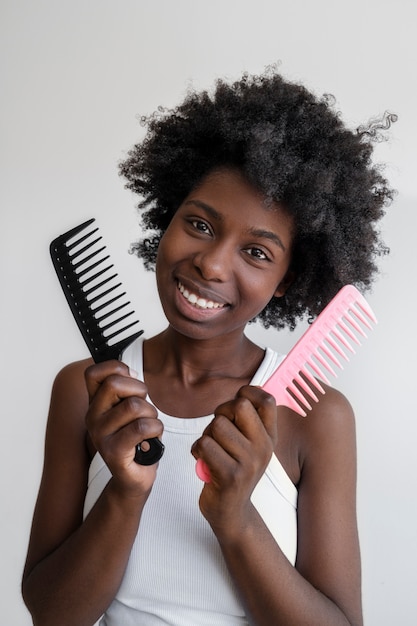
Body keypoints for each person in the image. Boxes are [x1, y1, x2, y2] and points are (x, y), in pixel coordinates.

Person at [22, 68, 395, 626]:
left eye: (259, 253)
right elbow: (52, 614)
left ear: (290, 279)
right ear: (166, 217)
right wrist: (126, 491)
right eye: (198, 224)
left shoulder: (316, 418)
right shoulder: (87, 390)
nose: (212, 264)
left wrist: (236, 518)